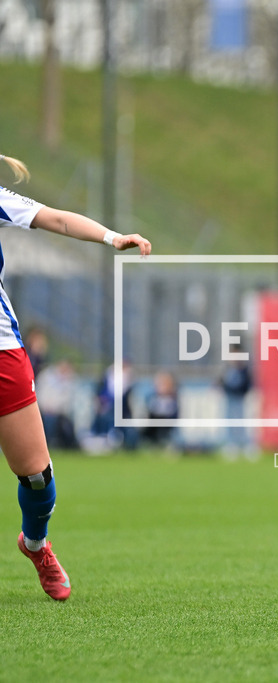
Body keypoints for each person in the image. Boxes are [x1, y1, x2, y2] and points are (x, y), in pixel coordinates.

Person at [0, 153, 151, 600]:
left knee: (36, 478)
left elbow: (57, 219)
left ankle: (36, 545)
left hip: (3, 353)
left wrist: (112, 237)